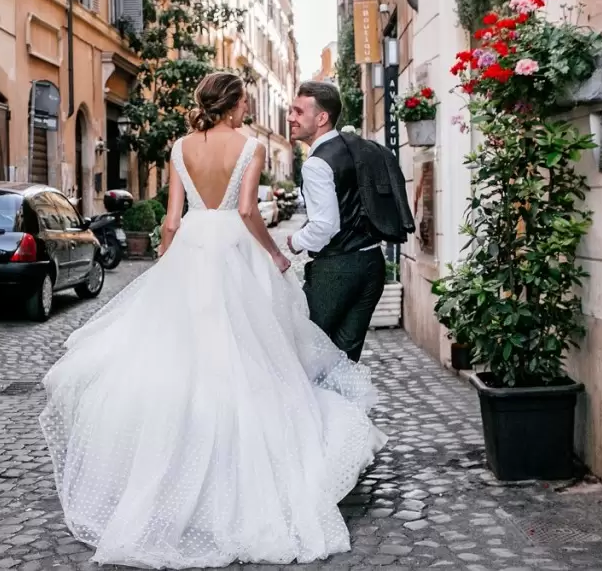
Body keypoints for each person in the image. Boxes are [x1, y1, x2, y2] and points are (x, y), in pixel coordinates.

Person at [40, 72, 387, 569]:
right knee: (250, 358)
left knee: (185, 358)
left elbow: (172, 219)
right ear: (231, 106)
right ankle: (240, 474)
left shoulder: (180, 147)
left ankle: (177, 467)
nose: (249, 110)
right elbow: (247, 210)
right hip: (235, 252)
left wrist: (167, 263)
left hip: (192, 250)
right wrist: (276, 254)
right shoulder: (250, 148)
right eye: (245, 102)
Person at [286, 81, 388, 363]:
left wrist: (295, 241)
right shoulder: (357, 147)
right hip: (371, 265)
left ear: (321, 118)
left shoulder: (317, 163)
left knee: (307, 353)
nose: (290, 118)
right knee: (344, 360)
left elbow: (324, 227)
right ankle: (346, 408)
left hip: (337, 269)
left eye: (298, 111)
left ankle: (315, 408)